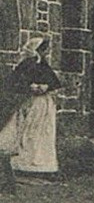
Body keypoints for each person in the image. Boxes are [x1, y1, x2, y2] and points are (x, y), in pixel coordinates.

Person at [1, 37, 61, 189]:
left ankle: (42, 164)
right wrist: (31, 87)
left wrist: (45, 86)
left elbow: (54, 82)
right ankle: (25, 163)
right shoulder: (26, 64)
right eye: (42, 49)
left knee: (42, 134)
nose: (45, 52)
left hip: (44, 104)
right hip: (30, 102)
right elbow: (14, 82)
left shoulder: (43, 64)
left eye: (45, 49)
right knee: (29, 132)